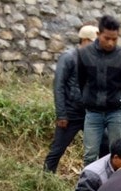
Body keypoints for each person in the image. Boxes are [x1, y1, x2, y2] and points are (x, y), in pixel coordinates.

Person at [77, 15, 121, 166]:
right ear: (98, 34)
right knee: (90, 154)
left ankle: (113, 186)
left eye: (114, 39)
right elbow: (81, 80)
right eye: (107, 38)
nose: (110, 43)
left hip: (115, 112)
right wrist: (87, 99)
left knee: (116, 154)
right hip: (93, 113)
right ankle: (88, 186)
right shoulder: (85, 54)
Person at [42, 25, 99, 173]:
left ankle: (98, 179)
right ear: (85, 40)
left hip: (89, 114)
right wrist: (62, 114)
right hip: (70, 114)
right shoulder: (68, 57)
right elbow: (58, 86)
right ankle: (46, 178)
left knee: (104, 145)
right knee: (57, 149)